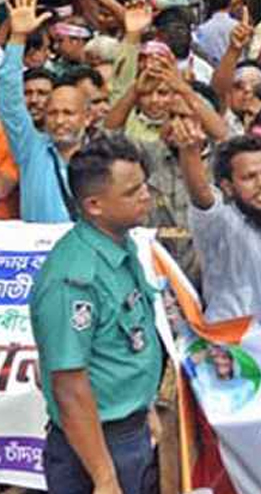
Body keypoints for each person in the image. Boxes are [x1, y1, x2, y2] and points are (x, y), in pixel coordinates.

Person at [30, 134, 162, 494]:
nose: (146, 195)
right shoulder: (73, 277)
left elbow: (126, 345)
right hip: (95, 448)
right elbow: (69, 387)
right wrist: (104, 478)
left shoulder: (121, 245)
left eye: (143, 185)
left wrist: (144, 406)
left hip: (129, 431)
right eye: (132, 191)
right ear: (94, 205)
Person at [178, 127, 261, 320]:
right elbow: (200, 194)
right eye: (249, 177)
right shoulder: (219, 223)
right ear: (228, 187)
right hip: (231, 342)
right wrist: (189, 152)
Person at [1, 0, 88, 222]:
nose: (59, 121)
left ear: (86, 117)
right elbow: (9, 98)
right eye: (53, 113)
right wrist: (17, 38)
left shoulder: (101, 157)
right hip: (37, 258)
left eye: (68, 113)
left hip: (86, 256)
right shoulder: (30, 149)